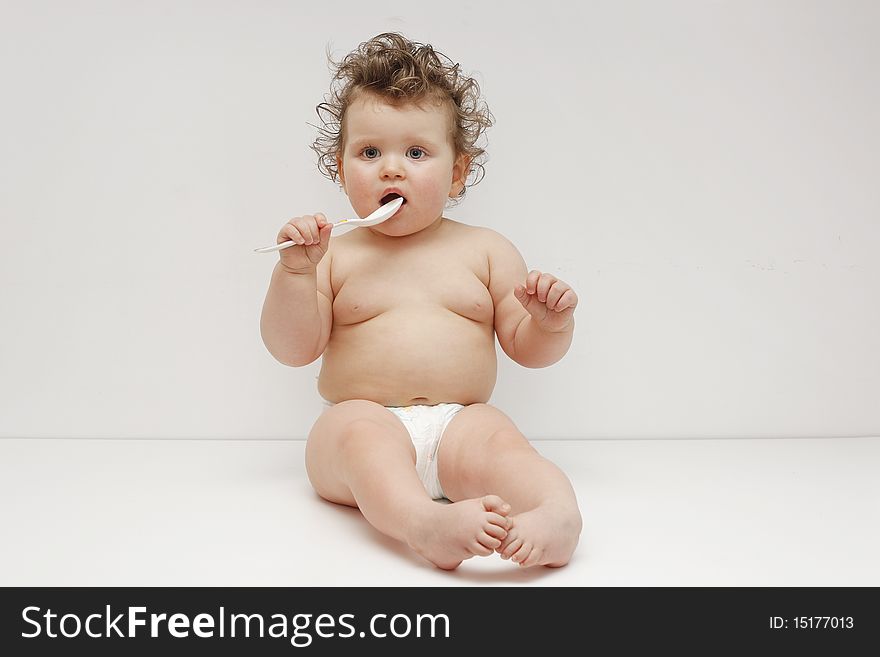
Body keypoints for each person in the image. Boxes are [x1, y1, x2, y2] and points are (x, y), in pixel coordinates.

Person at [260, 33, 582, 570]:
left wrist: (549, 324)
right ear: (341, 168)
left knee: (503, 444)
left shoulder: (485, 250)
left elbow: (529, 349)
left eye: (415, 152)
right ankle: (421, 523)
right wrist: (295, 273)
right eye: (369, 152)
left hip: (460, 422)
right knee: (358, 438)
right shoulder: (334, 256)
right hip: (361, 419)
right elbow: (292, 348)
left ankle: (557, 514)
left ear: (456, 172)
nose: (391, 168)